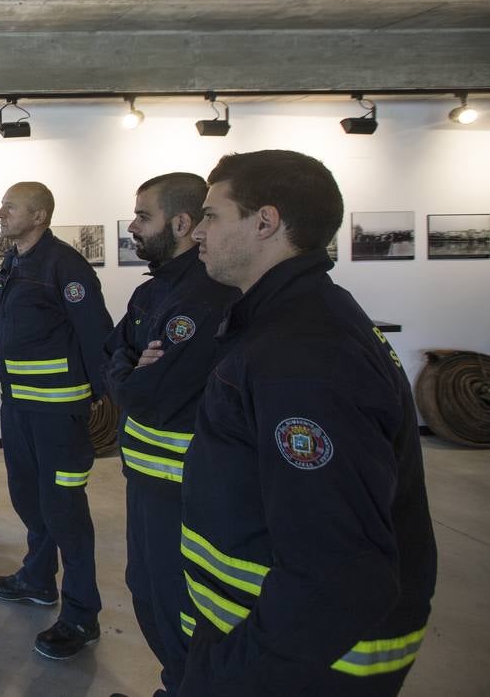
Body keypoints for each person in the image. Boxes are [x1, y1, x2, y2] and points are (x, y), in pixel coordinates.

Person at [180, 150, 436, 696]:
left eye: (212, 215)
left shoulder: (304, 355)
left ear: (266, 221)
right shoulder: (285, 321)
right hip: (258, 636)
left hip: (302, 667)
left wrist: (229, 679)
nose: (197, 231)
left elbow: (340, 574)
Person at [104, 174, 238, 696]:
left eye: (143, 216)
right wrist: (128, 365)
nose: (133, 227)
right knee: (146, 591)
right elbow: (110, 350)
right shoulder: (153, 291)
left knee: (180, 606)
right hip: (142, 476)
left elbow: (145, 398)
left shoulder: (207, 297)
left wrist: (127, 373)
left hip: (185, 485)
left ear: (180, 223)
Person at [0, 181, 112, 660]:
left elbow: (96, 335)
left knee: (65, 513)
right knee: (28, 498)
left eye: (9, 207)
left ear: (38, 215)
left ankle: (81, 615)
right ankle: (38, 579)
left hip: (60, 412)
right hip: (19, 407)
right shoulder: (15, 261)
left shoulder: (65, 266)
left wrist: (102, 402)